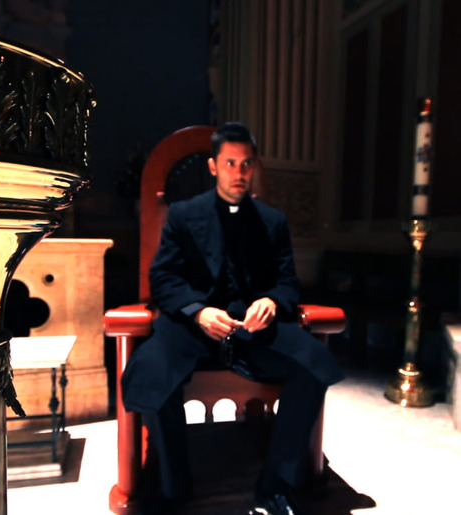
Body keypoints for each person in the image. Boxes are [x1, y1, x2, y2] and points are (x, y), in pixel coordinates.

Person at [121, 122, 344, 515]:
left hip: (250, 330)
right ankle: (173, 488)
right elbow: (164, 278)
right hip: (193, 327)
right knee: (152, 369)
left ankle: (275, 485)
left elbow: (287, 281)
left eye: (245, 164)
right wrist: (198, 311)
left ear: (253, 166)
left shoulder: (272, 221)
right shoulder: (184, 215)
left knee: (313, 365)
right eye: (229, 163)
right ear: (213, 166)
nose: (238, 172)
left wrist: (272, 301)